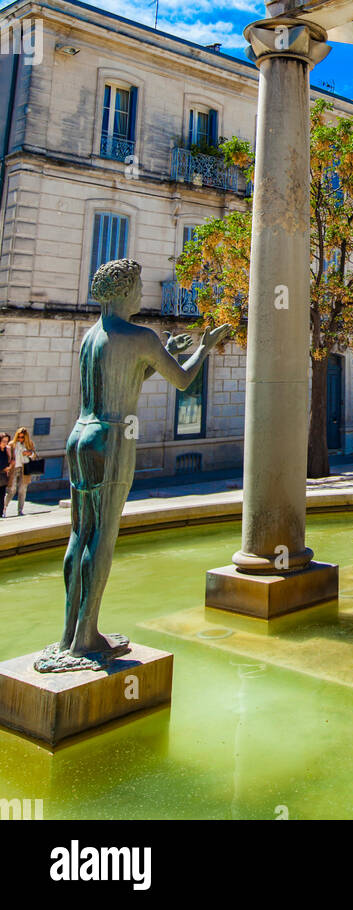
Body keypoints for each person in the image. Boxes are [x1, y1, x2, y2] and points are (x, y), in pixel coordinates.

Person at [57, 257, 229, 660]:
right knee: (103, 536)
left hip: (80, 435)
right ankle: (87, 635)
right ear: (123, 291)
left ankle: (69, 634)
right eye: (136, 287)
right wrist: (203, 349)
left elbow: (125, 376)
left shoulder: (91, 336)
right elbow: (184, 380)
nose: (141, 293)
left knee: (79, 533)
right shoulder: (141, 335)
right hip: (113, 439)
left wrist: (162, 352)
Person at [3, 428, 36, 517]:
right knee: (11, 490)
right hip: (14, 469)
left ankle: (20, 510)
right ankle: (3, 509)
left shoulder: (29, 444)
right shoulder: (12, 444)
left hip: (25, 469)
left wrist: (29, 454)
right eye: (19, 437)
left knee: (22, 490)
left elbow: (34, 455)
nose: (20, 439)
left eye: (22, 437)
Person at [0, 433, 11, 517]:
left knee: (2, 496)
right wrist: (4, 468)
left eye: (7, 441)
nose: (5, 443)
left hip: (3, 478)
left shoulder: (5, 451)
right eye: (3, 441)